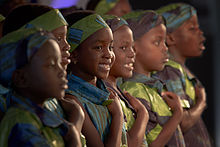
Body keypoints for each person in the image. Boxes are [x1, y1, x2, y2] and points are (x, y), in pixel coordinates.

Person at [0, 27, 81, 146]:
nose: (62, 71)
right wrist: (74, 138)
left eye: (59, 63)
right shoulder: (21, 122)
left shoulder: (40, 116)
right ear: (21, 78)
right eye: (51, 65)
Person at [120, 10, 185, 147]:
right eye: (157, 42)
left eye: (165, 42)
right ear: (134, 48)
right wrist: (177, 114)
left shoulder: (153, 88)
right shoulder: (134, 91)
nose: (165, 48)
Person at [64, 11, 126, 146]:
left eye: (110, 47)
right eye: (98, 47)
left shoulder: (106, 93)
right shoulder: (72, 100)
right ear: (74, 55)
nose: (108, 54)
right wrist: (118, 116)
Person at [0, 3, 71, 121]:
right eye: (58, 39)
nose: (67, 46)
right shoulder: (9, 106)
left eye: (66, 38)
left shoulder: (52, 94)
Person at [154, 3, 212, 147]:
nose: (200, 33)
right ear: (170, 38)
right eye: (192, 28)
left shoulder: (180, 70)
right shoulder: (169, 71)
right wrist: (201, 101)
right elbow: (183, 123)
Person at [103, 15, 149, 147]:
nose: (132, 53)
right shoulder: (106, 95)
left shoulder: (119, 91)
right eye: (123, 48)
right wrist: (143, 114)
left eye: (132, 47)